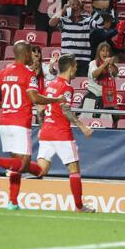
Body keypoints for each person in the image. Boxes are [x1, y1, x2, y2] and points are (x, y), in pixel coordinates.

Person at [0, 40, 65, 211]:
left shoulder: (4, 72)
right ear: (27, 54)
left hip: (5, 122)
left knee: (17, 164)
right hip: (20, 123)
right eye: (30, 52)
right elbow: (35, 98)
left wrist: (3, 105)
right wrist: (56, 99)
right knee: (24, 164)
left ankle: (12, 201)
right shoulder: (29, 74)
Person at [37, 54, 95, 213]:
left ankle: (16, 169)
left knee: (42, 169)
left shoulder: (50, 85)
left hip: (46, 132)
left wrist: (41, 127)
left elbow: (40, 108)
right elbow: (66, 109)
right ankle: (79, 207)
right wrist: (82, 126)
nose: (76, 69)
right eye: (76, 66)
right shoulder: (66, 87)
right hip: (61, 132)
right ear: (70, 67)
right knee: (74, 168)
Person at [49, 0, 104, 77]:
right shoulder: (64, 21)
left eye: (77, 5)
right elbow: (51, 23)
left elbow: (101, 24)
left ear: (81, 7)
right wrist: (63, 10)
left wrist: (92, 11)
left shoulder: (87, 21)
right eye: (72, 5)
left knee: (81, 84)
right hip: (67, 60)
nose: (75, 7)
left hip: (83, 61)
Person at [81, 42, 118, 119]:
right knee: (87, 121)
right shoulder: (93, 63)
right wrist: (104, 64)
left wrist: (111, 65)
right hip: (92, 96)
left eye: (107, 51)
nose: (105, 53)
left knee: (106, 123)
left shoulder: (113, 65)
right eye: (102, 50)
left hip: (108, 97)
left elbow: (115, 74)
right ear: (98, 52)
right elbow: (94, 75)